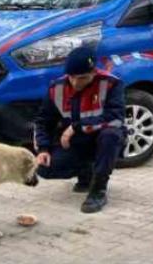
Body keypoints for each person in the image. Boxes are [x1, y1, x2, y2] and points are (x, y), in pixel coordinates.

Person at [34, 47, 127, 214]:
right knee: (45, 168)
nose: (76, 83)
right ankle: (86, 173)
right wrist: (43, 148)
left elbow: (115, 118)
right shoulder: (57, 88)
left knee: (110, 135)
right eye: (72, 77)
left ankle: (98, 190)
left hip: (102, 138)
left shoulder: (111, 84)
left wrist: (76, 126)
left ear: (94, 72)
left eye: (82, 78)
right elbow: (43, 121)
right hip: (76, 142)